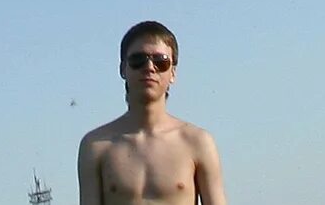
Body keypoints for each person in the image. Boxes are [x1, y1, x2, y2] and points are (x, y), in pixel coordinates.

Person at [79, 21, 227, 205]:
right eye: (138, 60)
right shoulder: (96, 146)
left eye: (161, 61)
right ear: (123, 69)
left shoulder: (197, 142)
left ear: (173, 73)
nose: (149, 67)